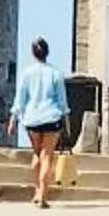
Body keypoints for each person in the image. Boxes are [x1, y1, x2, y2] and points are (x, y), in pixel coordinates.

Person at [11, 37, 69, 207]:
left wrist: (13, 117)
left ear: (33, 53)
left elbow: (20, 98)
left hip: (32, 119)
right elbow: (62, 101)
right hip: (51, 118)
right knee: (47, 157)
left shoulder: (27, 73)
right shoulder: (55, 73)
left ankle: (37, 190)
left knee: (37, 154)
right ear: (47, 53)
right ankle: (43, 196)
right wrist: (66, 119)